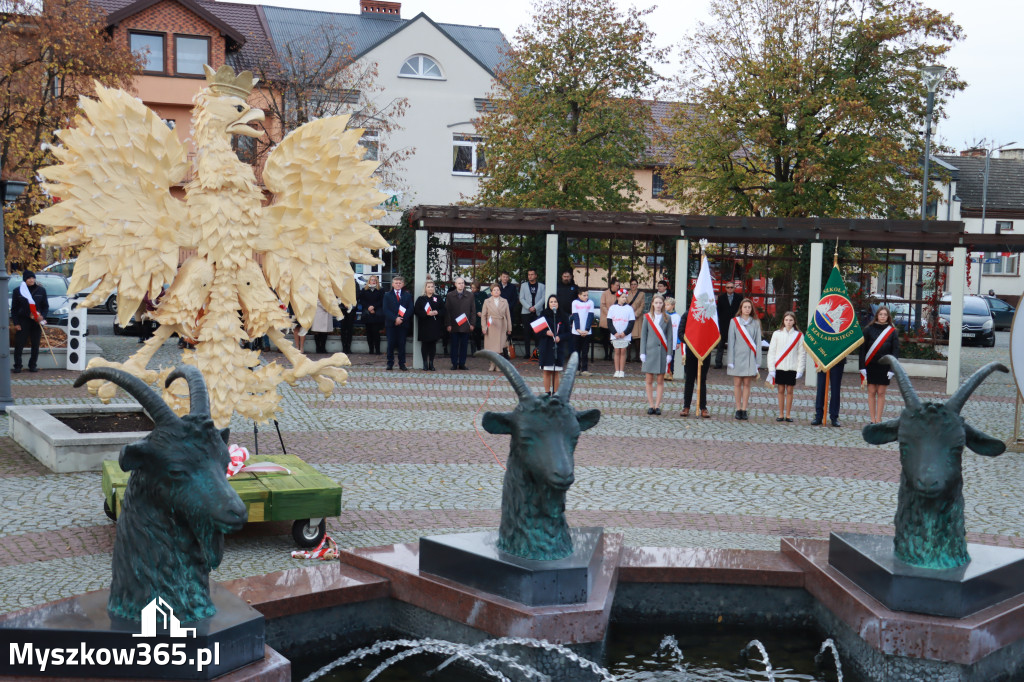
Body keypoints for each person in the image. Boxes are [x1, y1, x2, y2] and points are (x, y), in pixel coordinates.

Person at [860, 306, 900, 424]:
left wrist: (892, 369)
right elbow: (862, 350)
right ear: (877, 315)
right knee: (871, 391)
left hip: (885, 366)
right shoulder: (868, 329)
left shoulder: (892, 332)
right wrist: (862, 367)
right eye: (881, 314)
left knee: (881, 392)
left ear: (888, 317)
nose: (883, 316)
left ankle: (879, 419)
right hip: (870, 365)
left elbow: (895, 351)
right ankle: (872, 420)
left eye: (885, 315)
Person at [766, 311, 806, 422]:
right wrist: (771, 369)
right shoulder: (777, 334)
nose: (788, 322)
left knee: (790, 391)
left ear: (794, 322)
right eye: (786, 320)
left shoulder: (799, 335)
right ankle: (780, 414)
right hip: (779, 367)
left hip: (792, 367)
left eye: (791, 320)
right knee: (780, 390)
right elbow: (771, 352)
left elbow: (801, 353)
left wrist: (800, 370)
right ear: (783, 321)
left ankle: (788, 414)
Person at [727, 298, 761, 420]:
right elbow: (731, 341)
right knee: (737, 384)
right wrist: (730, 360)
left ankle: (744, 409)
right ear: (741, 308)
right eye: (745, 307)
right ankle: (738, 408)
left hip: (750, 358)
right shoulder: (734, 322)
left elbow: (758, 342)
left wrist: (758, 361)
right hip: (737, 357)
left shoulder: (755, 323)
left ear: (752, 309)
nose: (747, 309)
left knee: (747, 384)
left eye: (749, 307)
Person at [640, 294, 672, 415]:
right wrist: (642, 352)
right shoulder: (647, 317)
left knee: (660, 380)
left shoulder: (667, 318)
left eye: (660, 303)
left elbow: (670, 337)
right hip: (650, 352)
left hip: (662, 352)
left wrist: (669, 354)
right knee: (649, 379)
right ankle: (651, 404)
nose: (658, 305)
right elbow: (644, 336)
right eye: (656, 302)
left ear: (663, 304)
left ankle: (657, 405)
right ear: (653, 303)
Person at [10, 269, 48, 373]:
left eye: (32, 278)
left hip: (36, 321)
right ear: (25, 280)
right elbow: (14, 309)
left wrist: (42, 316)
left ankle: (33, 365)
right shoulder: (18, 291)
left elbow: (45, 307)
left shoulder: (41, 290)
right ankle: (17, 365)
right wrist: (16, 323)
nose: (31, 280)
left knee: (35, 344)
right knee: (19, 344)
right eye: (29, 278)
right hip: (23, 321)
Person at [677, 306, 712, 418]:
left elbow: (714, 333)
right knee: (689, 379)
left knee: (702, 380)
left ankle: (703, 407)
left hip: (704, 352)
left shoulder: (709, 316)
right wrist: (691, 341)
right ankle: (686, 406)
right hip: (691, 351)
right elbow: (680, 333)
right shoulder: (687, 315)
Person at [535, 294, 569, 394]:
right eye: (551, 302)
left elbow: (568, 333)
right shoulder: (543, 314)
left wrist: (560, 337)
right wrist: (546, 332)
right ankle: (547, 393)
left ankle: (555, 393)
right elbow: (537, 331)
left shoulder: (563, 316)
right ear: (548, 304)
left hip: (558, 347)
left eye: (555, 302)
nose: (553, 303)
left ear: (558, 303)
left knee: (556, 372)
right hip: (546, 346)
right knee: (546, 371)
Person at [383, 275, 412, 371]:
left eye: (400, 283)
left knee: (402, 344)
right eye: (396, 283)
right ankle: (390, 363)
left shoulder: (407, 295)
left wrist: (401, 319)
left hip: (403, 324)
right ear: (392, 284)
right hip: (391, 324)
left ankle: (402, 363)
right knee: (390, 344)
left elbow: (410, 309)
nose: (398, 284)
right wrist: (395, 319)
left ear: (403, 284)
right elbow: (385, 309)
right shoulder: (387, 295)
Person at [481, 283, 512, 371]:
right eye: (494, 290)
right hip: (490, 326)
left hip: (501, 325)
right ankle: (492, 363)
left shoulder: (504, 301)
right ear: (491, 292)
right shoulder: (487, 301)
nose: (496, 291)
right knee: (491, 347)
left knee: (500, 347)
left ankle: (498, 364)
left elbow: (508, 315)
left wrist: (509, 328)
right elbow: (483, 315)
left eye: (498, 290)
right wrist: (484, 327)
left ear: (500, 291)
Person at [445, 276, 475, 370]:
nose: (461, 285)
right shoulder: (450, 295)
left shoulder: (470, 295)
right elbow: (447, 311)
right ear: (455, 284)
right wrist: (448, 324)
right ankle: (454, 363)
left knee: (464, 345)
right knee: (454, 345)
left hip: (466, 324)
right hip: (454, 325)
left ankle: (462, 363)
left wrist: (472, 324)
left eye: (462, 283)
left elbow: (473, 311)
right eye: (459, 283)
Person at [414, 280, 443, 371]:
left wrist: (436, 312)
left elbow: (444, 310)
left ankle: (431, 363)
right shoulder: (421, 299)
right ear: (425, 288)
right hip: (424, 325)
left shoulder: (438, 298)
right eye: (429, 287)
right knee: (425, 345)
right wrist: (426, 313)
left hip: (434, 325)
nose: (431, 288)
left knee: (432, 345)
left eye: (432, 286)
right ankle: (425, 363)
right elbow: (416, 311)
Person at [607, 288, 635, 378]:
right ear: (618, 297)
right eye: (622, 297)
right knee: (616, 351)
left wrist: (625, 333)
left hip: (624, 334)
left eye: (625, 297)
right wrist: (614, 332)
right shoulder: (612, 308)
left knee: (623, 351)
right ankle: (616, 370)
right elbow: (609, 322)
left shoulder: (629, 308)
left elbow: (631, 322)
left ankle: (622, 371)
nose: (624, 299)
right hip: (615, 334)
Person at [519, 269, 545, 359]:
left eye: (532, 274)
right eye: (529, 274)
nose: (530, 276)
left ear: (536, 275)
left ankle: (536, 354)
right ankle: (527, 353)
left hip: (538, 313)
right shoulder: (523, 286)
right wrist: (529, 307)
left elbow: (543, 298)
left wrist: (535, 307)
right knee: (526, 333)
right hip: (526, 312)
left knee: (538, 334)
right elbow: (521, 298)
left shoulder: (542, 286)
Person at [812, 357, 845, 427]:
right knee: (821, 388)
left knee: (835, 389)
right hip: (823, 359)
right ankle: (818, 415)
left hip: (838, 359)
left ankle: (834, 417)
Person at [570, 287, 595, 376]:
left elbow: (590, 316)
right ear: (579, 295)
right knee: (576, 351)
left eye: (587, 295)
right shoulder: (575, 302)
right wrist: (578, 330)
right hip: (577, 332)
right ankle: (576, 369)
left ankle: (584, 369)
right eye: (584, 295)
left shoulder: (590, 302)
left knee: (585, 351)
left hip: (587, 332)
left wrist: (586, 330)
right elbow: (575, 316)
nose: (586, 297)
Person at [715, 281, 741, 368]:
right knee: (721, 344)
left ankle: (733, 363)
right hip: (724, 324)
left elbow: (741, 310)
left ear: (734, 288)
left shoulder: (739, 297)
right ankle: (718, 363)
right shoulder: (721, 297)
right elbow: (718, 310)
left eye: (731, 287)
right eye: (728, 287)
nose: (730, 289)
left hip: (736, 324)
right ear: (725, 288)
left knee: (734, 345)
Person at [359, 275, 384, 355]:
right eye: (371, 280)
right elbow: (362, 301)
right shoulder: (364, 290)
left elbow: (382, 301)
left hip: (377, 314)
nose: (373, 281)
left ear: (377, 282)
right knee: (369, 332)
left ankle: (377, 350)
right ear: (369, 281)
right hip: (367, 313)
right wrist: (368, 307)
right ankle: (371, 350)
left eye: (375, 280)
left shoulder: (381, 290)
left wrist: (374, 307)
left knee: (376, 332)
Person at [498, 271, 518, 358]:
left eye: (507, 277)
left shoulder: (512, 287)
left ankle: (508, 352)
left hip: (509, 312)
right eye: (503, 276)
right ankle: (499, 352)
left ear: (508, 278)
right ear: (500, 277)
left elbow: (515, 299)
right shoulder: (497, 286)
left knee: (508, 332)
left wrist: (507, 308)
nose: (505, 278)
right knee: (499, 332)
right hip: (498, 313)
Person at [599, 278, 618, 361]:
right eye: (617, 285)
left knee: (612, 338)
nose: (618, 287)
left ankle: (610, 354)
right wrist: (609, 314)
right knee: (605, 337)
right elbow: (602, 305)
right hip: (606, 319)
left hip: (615, 320)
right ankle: (606, 354)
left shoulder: (619, 294)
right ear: (612, 285)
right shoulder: (605, 293)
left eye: (618, 285)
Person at [627, 278, 645, 362]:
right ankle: (628, 356)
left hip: (637, 317)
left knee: (638, 338)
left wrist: (636, 314)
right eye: (632, 284)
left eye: (635, 284)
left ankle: (638, 356)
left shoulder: (641, 294)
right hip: (628, 317)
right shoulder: (627, 293)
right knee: (628, 337)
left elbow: (642, 305)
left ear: (637, 285)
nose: (633, 286)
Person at [664, 296, 682, 381]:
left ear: (673, 305)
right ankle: (663, 372)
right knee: (663, 357)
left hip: (673, 340)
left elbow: (679, 330)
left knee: (671, 357)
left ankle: (671, 372)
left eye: (668, 305)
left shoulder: (677, 317)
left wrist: (678, 342)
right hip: (664, 340)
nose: (666, 306)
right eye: (665, 305)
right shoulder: (663, 315)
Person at [471, 281, 487, 354]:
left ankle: (481, 349)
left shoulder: (483, 294)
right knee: (474, 334)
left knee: (482, 333)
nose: (472, 289)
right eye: (471, 288)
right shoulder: (471, 296)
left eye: (474, 288)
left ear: (478, 288)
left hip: (483, 316)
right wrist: (477, 311)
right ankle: (475, 351)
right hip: (475, 316)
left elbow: (486, 304)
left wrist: (482, 312)